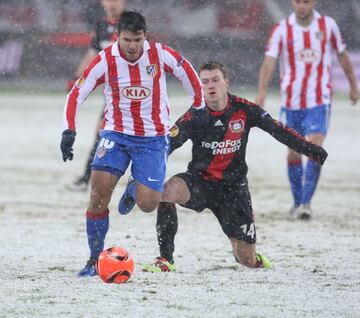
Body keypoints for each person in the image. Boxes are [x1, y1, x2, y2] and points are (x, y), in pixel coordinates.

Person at [136, 61, 327, 272]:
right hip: (200, 182)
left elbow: (277, 129)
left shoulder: (245, 109)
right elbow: (166, 146)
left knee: (245, 258)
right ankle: (165, 260)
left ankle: (254, 258)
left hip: (234, 189)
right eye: (205, 82)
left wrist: (310, 149)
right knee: (167, 191)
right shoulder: (194, 116)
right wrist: (142, 175)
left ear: (226, 82)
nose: (210, 86)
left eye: (215, 80)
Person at [60, 11, 205, 276]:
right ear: (118, 37)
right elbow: (77, 93)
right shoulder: (105, 60)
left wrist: (199, 105)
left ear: (145, 36)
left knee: (148, 204)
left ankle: (135, 184)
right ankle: (94, 259)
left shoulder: (160, 55)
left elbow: (188, 73)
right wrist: (69, 130)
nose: (132, 46)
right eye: (127, 39)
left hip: (152, 139)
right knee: (98, 194)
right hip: (116, 134)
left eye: (137, 40)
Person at [255, 0, 359, 219]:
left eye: (306, 1)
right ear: (292, 3)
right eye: (298, 1)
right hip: (291, 102)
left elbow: (342, 56)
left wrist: (353, 85)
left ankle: (305, 204)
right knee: (293, 152)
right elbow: (269, 62)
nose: (302, 6)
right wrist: (262, 92)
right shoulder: (282, 28)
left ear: (314, 2)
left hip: (318, 100)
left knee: (314, 146)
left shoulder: (327, 25)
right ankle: (297, 202)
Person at [66, 0, 127, 191]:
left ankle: (88, 179)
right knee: (104, 133)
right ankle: (88, 179)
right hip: (113, 94)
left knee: (111, 134)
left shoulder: (131, 23)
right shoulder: (101, 26)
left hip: (129, 92)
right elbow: (93, 53)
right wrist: (78, 76)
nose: (112, 3)